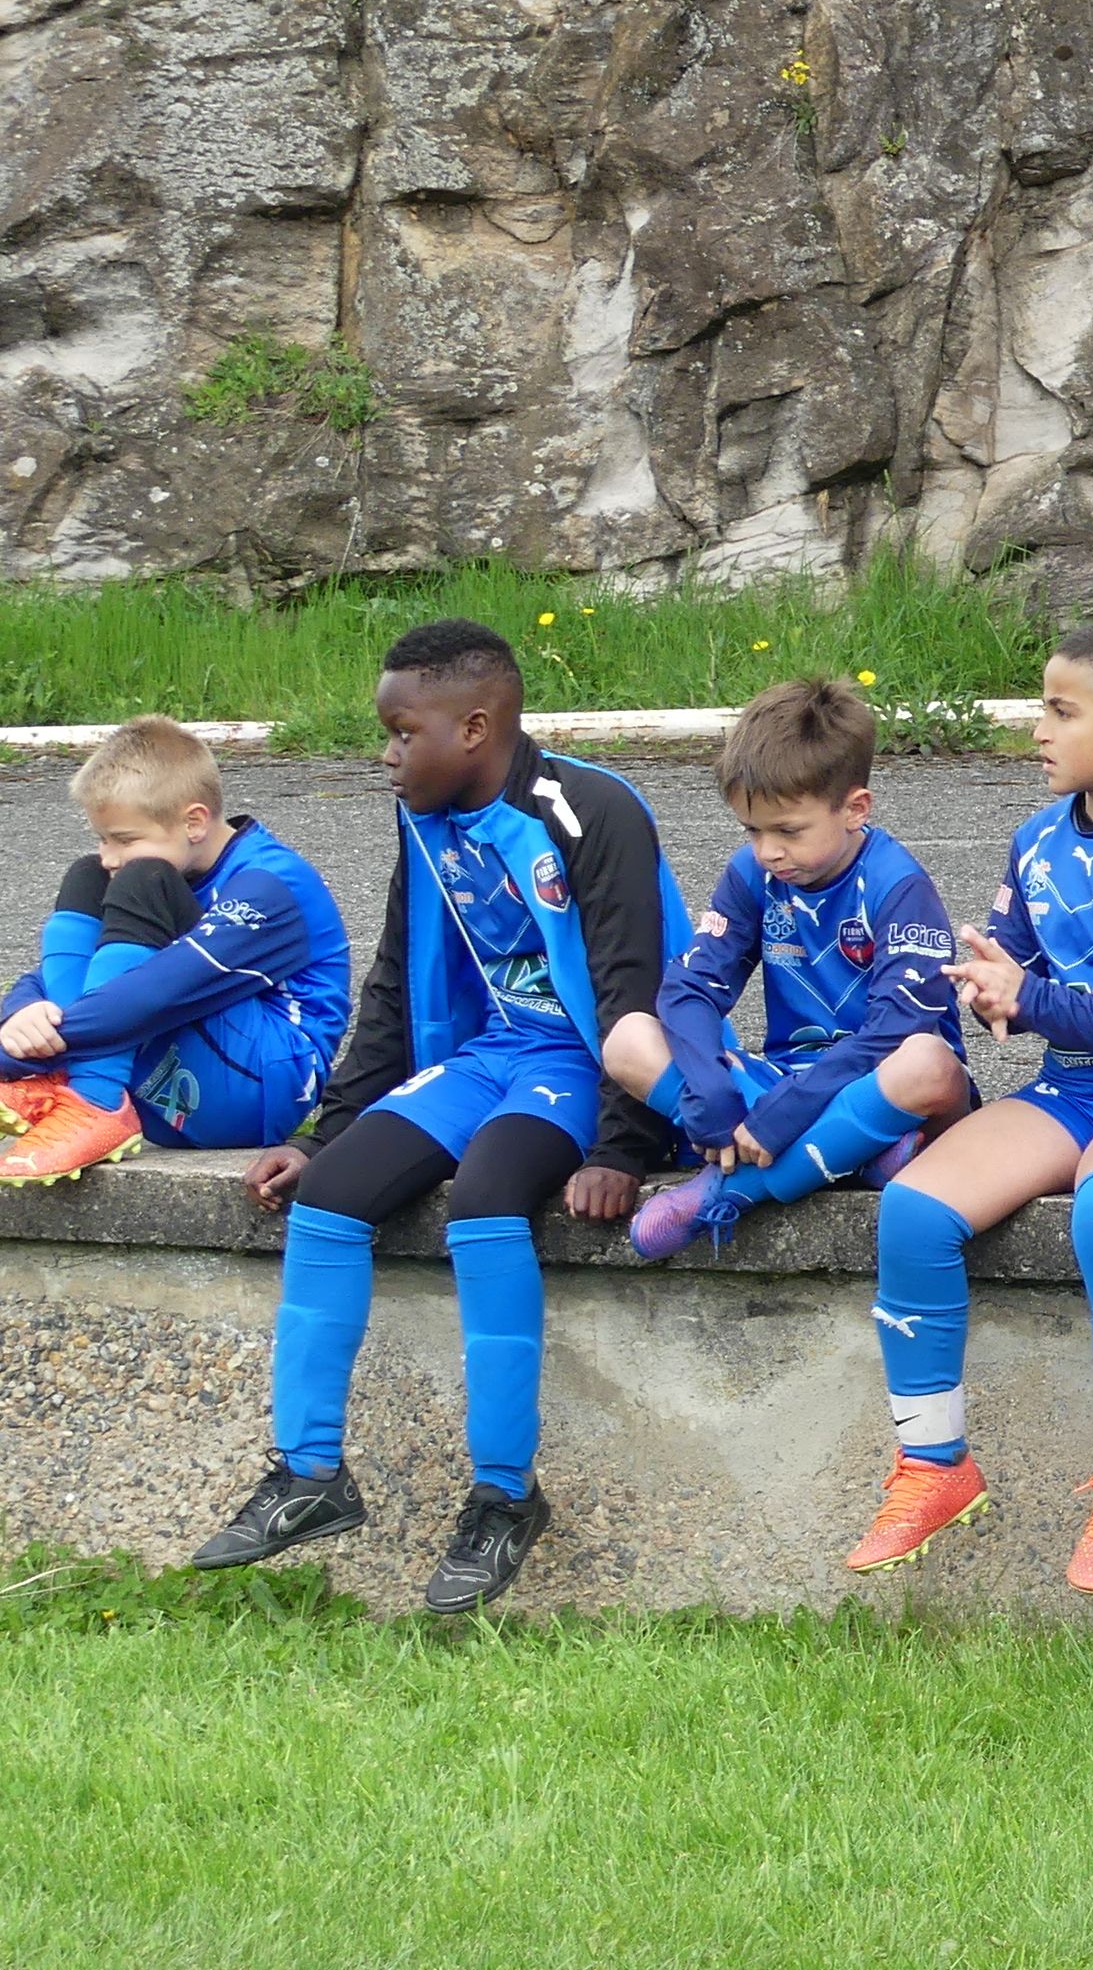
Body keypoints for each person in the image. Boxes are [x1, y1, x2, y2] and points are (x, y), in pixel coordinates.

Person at [185, 619, 686, 1614]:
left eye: (400, 733)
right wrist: (320, 1134)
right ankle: (310, 1475)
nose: (385, 753)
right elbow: (395, 982)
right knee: (329, 1200)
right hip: (494, 1056)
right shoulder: (424, 818)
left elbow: (642, 990)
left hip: (584, 1067)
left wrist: (622, 1147)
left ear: (475, 725)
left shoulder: (587, 810)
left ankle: (504, 1495)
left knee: (488, 1200)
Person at [842, 619, 1093, 1596]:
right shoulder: (1037, 839)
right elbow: (1019, 973)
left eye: (1061, 711)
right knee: (913, 1212)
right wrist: (991, 989)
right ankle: (934, 1466)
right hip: (1066, 1088)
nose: (1038, 729)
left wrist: (1033, 998)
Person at [606, 676, 973, 1257]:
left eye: (788, 831)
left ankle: (732, 1190)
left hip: (881, 1082)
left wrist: (793, 1109)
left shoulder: (897, 885)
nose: (767, 851)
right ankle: (855, 1155)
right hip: (783, 1083)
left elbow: (896, 1031)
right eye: (752, 830)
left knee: (927, 1062)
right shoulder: (756, 872)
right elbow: (690, 989)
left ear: (855, 809)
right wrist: (706, 1086)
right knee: (629, 1038)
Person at [0, 715, 350, 1181]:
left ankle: (93, 1098)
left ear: (194, 821)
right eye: (103, 837)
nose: (110, 855)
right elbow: (69, 979)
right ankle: (79, 1088)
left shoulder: (269, 885)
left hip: (258, 1094)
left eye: (123, 839)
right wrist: (22, 1014)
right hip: (184, 1083)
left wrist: (16, 1052)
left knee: (142, 880)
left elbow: (150, 995)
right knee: (88, 876)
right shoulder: (161, 871)